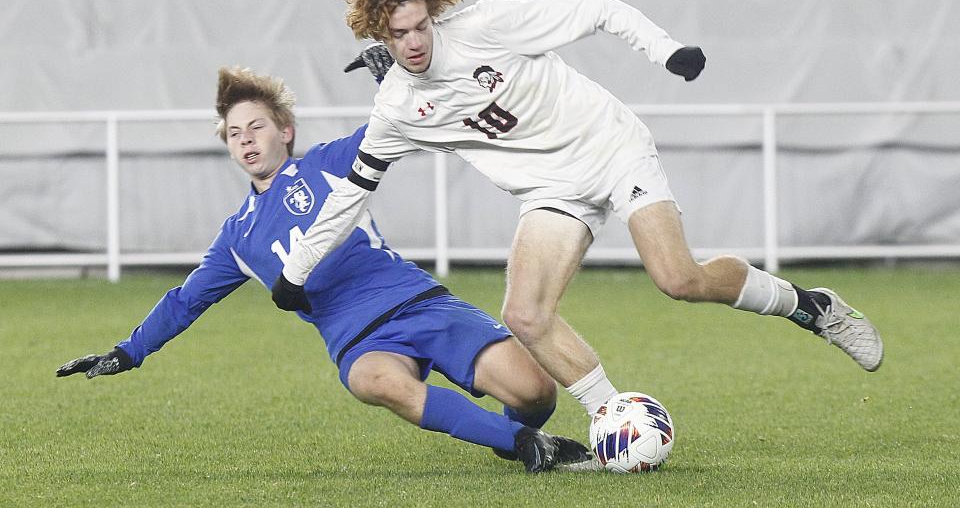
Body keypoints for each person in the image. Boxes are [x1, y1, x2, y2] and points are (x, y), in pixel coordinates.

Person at [272, 0, 884, 419]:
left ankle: (811, 305)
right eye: (399, 34)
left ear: (432, 16)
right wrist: (297, 271)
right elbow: (352, 190)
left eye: (420, 27)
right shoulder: (398, 110)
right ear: (378, 36)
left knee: (679, 278)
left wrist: (666, 51)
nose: (414, 42)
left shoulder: (487, 26)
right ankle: (614, 418)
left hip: (612, 148)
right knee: (525, 313)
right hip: (552, 192)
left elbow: (597, 7)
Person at [55, 66, 591, 474]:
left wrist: (401, 77)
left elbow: (391, 126)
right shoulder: (237, 236)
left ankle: (513, 432)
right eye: (234, 132)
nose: (244, 138)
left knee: (536, 392)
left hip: (421, 303)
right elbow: (185, 299)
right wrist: (128, 350)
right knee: (371, 381)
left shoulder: (329, 164)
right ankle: (526, 446)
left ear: (285, 131)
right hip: (359, 340)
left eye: (255, 126)